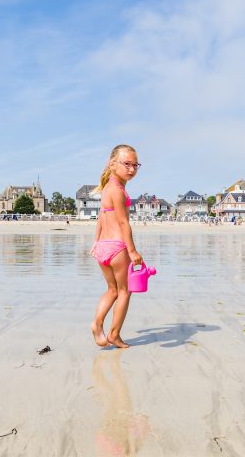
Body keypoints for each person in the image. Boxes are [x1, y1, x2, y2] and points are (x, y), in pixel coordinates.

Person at [90, 144, 142, 349]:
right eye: (127, 164)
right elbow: (123, 223)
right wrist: (132, 250)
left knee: (112, 290)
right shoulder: (117, 190)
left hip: (103, 246)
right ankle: (114, 334)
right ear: (113, 164)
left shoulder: (106, 189)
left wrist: (96, 242)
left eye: (135, 165)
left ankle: (97, 324)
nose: (131, 169)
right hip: (118, 247)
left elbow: (101, 218)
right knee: (124, 291)